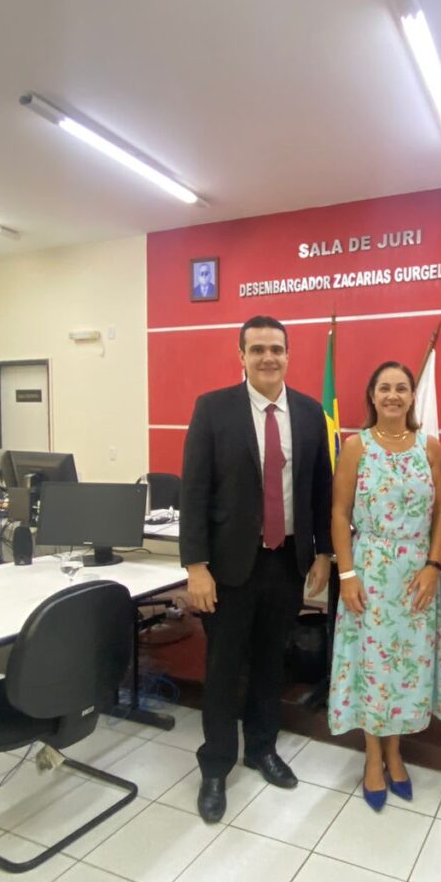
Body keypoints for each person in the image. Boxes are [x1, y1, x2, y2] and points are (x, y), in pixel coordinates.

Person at [180, 315, 332, 822]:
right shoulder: (213, 409)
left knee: (272, 662)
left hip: (286, 561)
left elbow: (320, 491)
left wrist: (325, 554)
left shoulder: (310, 414)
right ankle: (216, 764)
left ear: (289, 355)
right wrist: (196, 566)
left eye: (277, 348)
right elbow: (194, 491)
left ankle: (262, 748)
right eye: (258, 348)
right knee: (224, 666)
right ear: (240, 355)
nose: (269, 357)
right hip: (226, 567)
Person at [328, 361, 441, 810]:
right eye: (385, 388)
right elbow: (340, 514)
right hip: (370, 572)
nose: (393, 395)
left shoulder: (430, 448)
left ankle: (397, 751)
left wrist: (434, 566)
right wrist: (347, 575)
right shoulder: (355, 447)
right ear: (372, 396)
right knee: (372, 667)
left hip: (415, 575)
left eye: (402, 388)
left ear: (412, 395)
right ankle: (373, 757)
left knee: (405, 669)